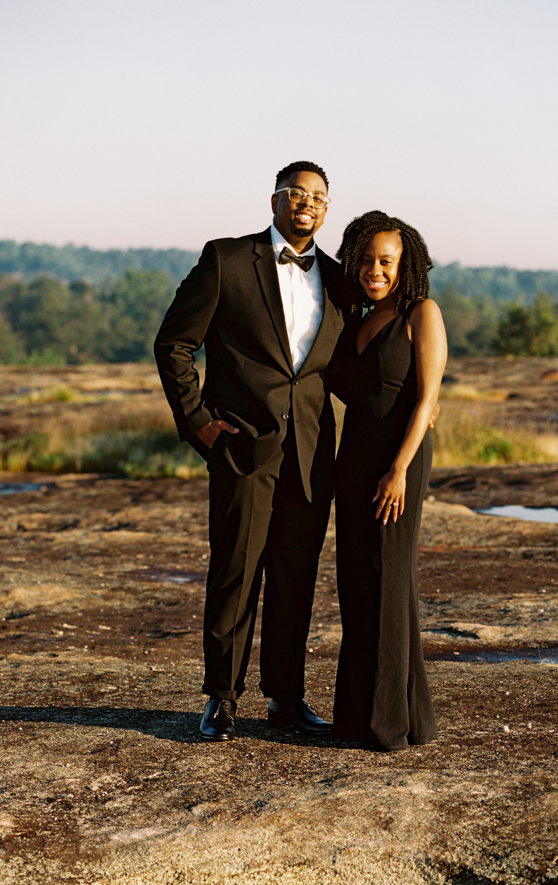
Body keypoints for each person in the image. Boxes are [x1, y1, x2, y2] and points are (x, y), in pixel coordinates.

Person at [154, 161, 345, 742]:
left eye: (317, 197)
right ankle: (221, 698)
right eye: (295, 194)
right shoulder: (226, 259)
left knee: (295, 578)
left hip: (311, 456)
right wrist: (199, 424)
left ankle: (286, 699)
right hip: (240, 447)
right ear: (274, 200)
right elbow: (174, 344)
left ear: (326, 209)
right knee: (235, 573)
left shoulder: (338, 278)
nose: (305, 204)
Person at [331, 211, 448, 751]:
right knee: (359, 582)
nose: (374, 269)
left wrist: (400, 468)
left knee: (389, 577)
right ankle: (367, 717)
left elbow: (425, 399)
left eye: (387, 261)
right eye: (366, 260)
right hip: (352, 458)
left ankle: (386, 726)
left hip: (396, 461)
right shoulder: (353, 319)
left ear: (407, 266)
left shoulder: (421, 313)